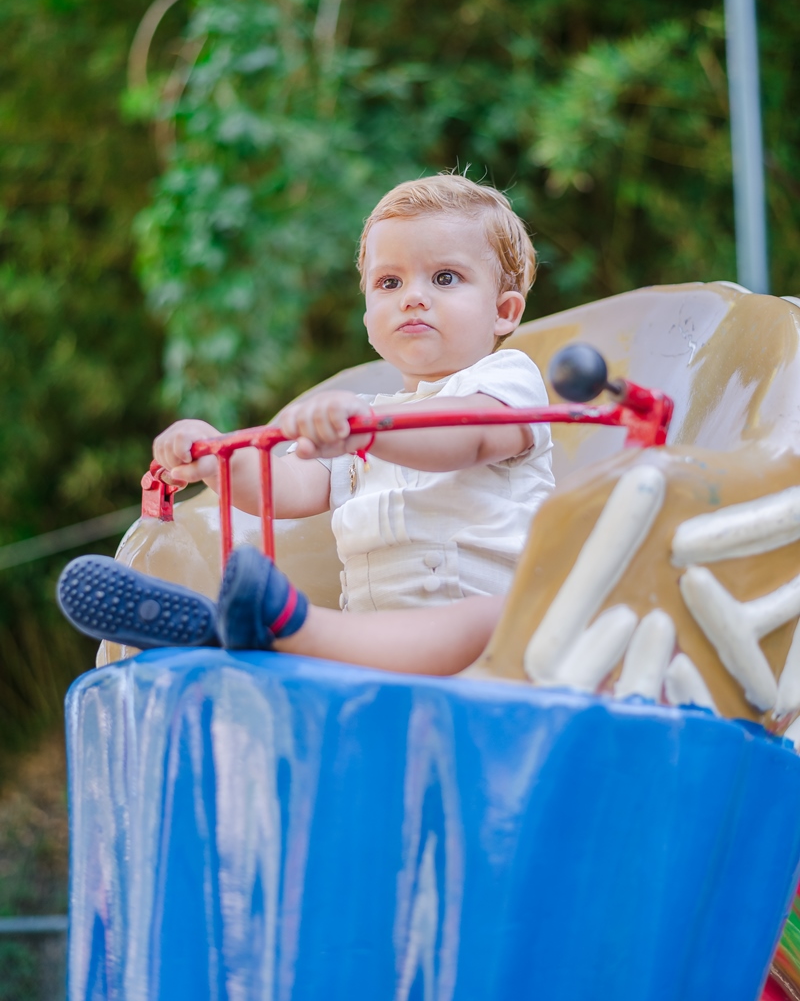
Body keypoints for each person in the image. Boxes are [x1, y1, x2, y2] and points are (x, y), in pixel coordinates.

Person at [58, 174, 555, 676]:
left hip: (501, 647)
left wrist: (367, 429)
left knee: (491, 617)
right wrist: (220, 458)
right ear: (367, 315)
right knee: (348, 633)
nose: (413, 297)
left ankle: (280, 631)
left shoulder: (506, 380)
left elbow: (465, 436)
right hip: (371, 653)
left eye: (445, 277)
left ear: (503, 312)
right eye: (389, 282)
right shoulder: (359, 418)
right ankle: (224, 636)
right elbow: (285, 490)